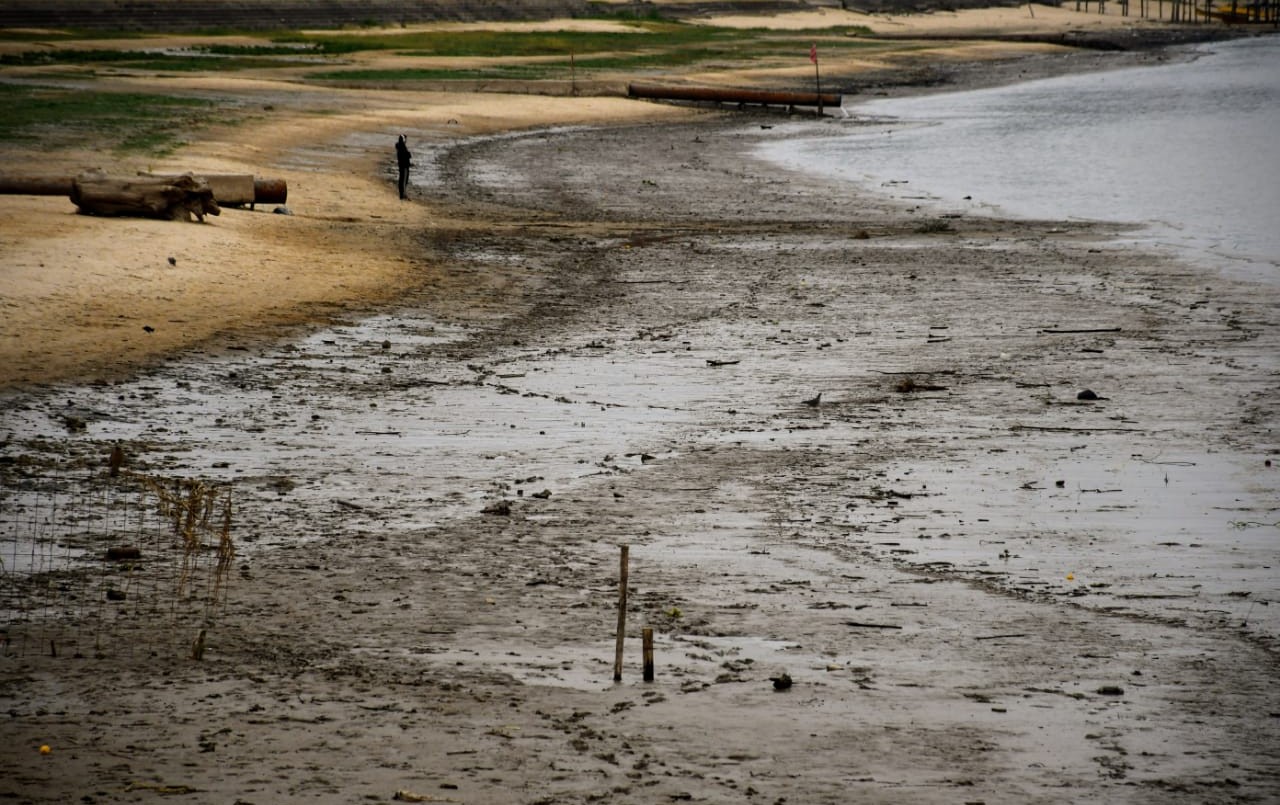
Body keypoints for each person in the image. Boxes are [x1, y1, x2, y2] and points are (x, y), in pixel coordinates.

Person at [395, 134, 412, 200]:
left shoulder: (400, 146)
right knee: (404, 180)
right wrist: (408, 154)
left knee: (402, 180)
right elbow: (406, 155)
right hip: (404, 166)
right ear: (403, 140)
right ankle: (403, 195)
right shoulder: (402, 147)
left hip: (403, 166)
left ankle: (403, 194)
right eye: (405, 139)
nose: (406, 140)